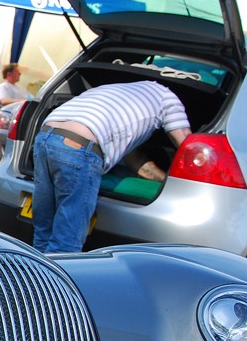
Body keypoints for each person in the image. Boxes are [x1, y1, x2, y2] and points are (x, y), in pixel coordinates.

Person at [31, 79, 191, 253]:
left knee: (43, 232)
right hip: (79, 146)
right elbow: (188, 145)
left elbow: (136, 161)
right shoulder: (169, 98)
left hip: (46, 136)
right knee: (67, 240)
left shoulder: (121, 91)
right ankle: (55, 279)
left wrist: (164, 181)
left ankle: (32, 277)